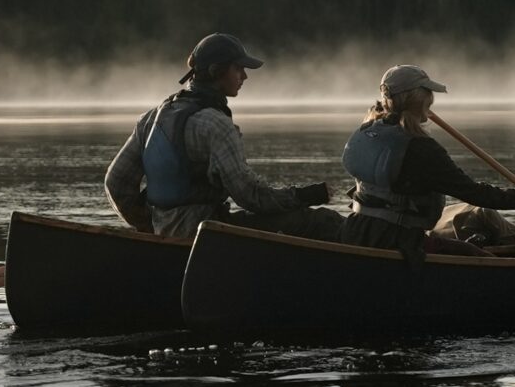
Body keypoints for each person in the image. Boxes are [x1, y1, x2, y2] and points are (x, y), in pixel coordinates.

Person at [104, 32, 340, 241]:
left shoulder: (150, 118)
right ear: (217, 71)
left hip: (163, 230)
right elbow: (251, 196)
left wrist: (148, 226)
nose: (244, 76)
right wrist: (308, 194)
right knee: (321, 221)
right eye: (238, 68)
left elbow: (116, 183)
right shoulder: (216, 125)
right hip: (206, 236)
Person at [339, 64, 515, 259]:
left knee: (468, 248)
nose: (432, 100)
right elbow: (474, 193)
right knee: (479, 256)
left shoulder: (368, 132)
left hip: (356, 230)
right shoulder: (421, 149)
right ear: (418, 99)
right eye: (428, 94)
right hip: (397, 240)